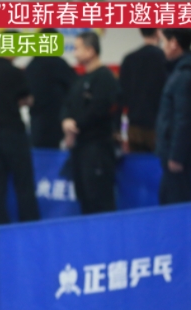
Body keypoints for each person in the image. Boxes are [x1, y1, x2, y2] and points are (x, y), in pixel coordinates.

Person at [0, 36, 40, 225]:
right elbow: (26, 97)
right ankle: (28, 222)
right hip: (13, 132)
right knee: (23, 182)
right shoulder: (14, 72)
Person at [62, 31, 120, 215]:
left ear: (90, 50)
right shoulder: (79, 80)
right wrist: (66, 121)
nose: (74, 53)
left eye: (77, 48)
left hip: (97, 149)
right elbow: (68, 105)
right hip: (79, 149)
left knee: (99, 199)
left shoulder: (105, 77)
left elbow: (98, 110)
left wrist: (74, 126)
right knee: (84, 198)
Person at [156, 29, 191, 205]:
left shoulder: (186, 76)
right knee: (168, 199)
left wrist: (177, 156)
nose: (162, 47)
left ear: (174, 43)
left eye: (163, 41)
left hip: (179, 158)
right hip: (176, 155)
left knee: (175, 203)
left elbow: (185, 120)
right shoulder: (181, 72)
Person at [25, 29, 77, 149]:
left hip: (37, 123)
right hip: (58, 123)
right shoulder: (59, 64)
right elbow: (75, 88)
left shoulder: (31, 66)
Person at [118, 29, 167, 153]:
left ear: (141, 32)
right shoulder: (165, 59)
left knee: (136, 162)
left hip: (135, 125)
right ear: (158, 32)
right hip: (159, 125)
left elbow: (121, 96)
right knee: (157, 163)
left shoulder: (129, 59)